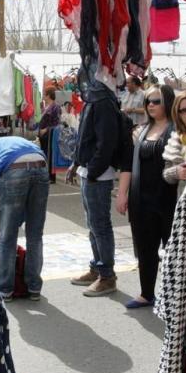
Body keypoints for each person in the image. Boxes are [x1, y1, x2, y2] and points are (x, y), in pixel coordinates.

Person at [116, 85, 177, 309]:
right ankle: (146, 293)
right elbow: (127, 165)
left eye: (156, 101)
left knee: (174, 251)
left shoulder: (178, 130)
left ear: (168, 102)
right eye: (148, 101)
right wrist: (122, 194)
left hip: (170, 200)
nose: (150, 105)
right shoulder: (139, 130)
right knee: (145, 250)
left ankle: (174, 296)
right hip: (141, 200)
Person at [0, 136, 50, 301]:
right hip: (41, 164)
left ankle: (5, 290)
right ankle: (34, 288)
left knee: (7, 236)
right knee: (35, 234)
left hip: (14, 168)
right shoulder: (3, 146)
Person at [69, 84, 130, 297]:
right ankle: (98, 269)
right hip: (91, 172)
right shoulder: (95, 100)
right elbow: (86, 138)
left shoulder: (103, 102)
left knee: (100, 225)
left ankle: (106, 275)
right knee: (93, 224)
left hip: (97, 174)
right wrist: (78, 163)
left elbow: (106, 142)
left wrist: (93, 170)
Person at [37, 87, 62, 183]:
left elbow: (57, 123)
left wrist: (46, 129)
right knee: (44, 154)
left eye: (44, 94)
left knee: (50, 154)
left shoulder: (56, 107)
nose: (43, 96)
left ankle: (51, 177)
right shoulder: (46, 106)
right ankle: (45, 174)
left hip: (50, 134)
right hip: (43, 135)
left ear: (48, 95)